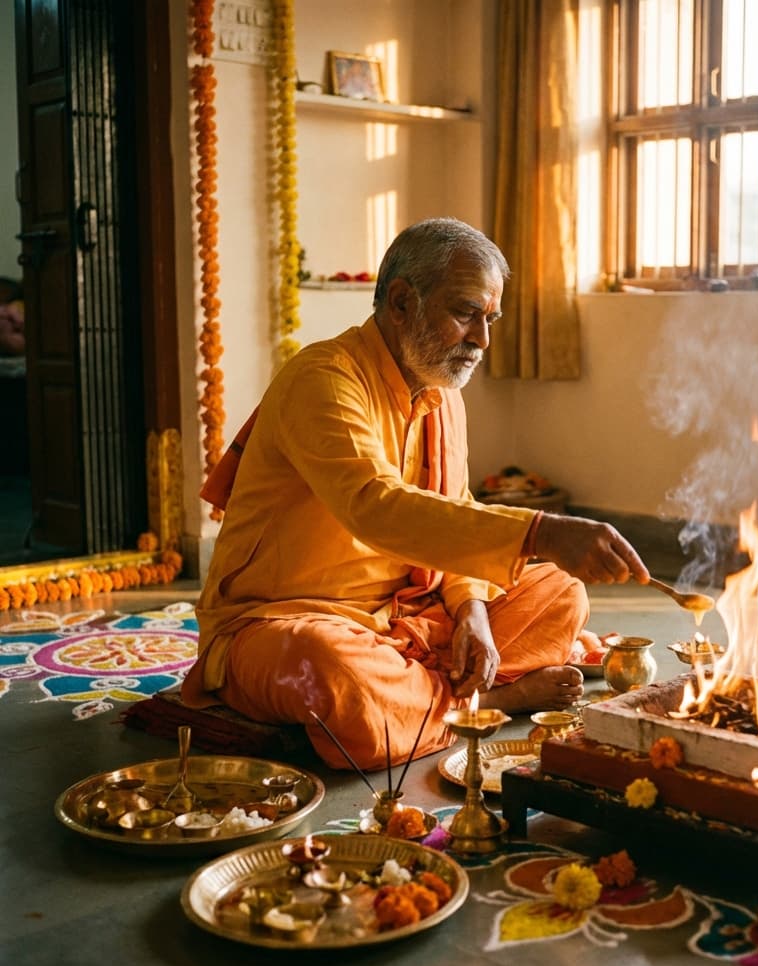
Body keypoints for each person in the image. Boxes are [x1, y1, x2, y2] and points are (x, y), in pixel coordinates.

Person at [181, 218, 650, 771]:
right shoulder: (323, 379)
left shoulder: (442, 393)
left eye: (490, 318)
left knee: (559, 593)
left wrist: (472, 612)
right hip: (286, 623)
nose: (482, 339)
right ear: (402, 302)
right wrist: (540, 531)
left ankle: (420, 697)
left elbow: (454, 515)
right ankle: (486, 699)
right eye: (465, 313)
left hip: (409, 614)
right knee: (332, 670)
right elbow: (374, 505)